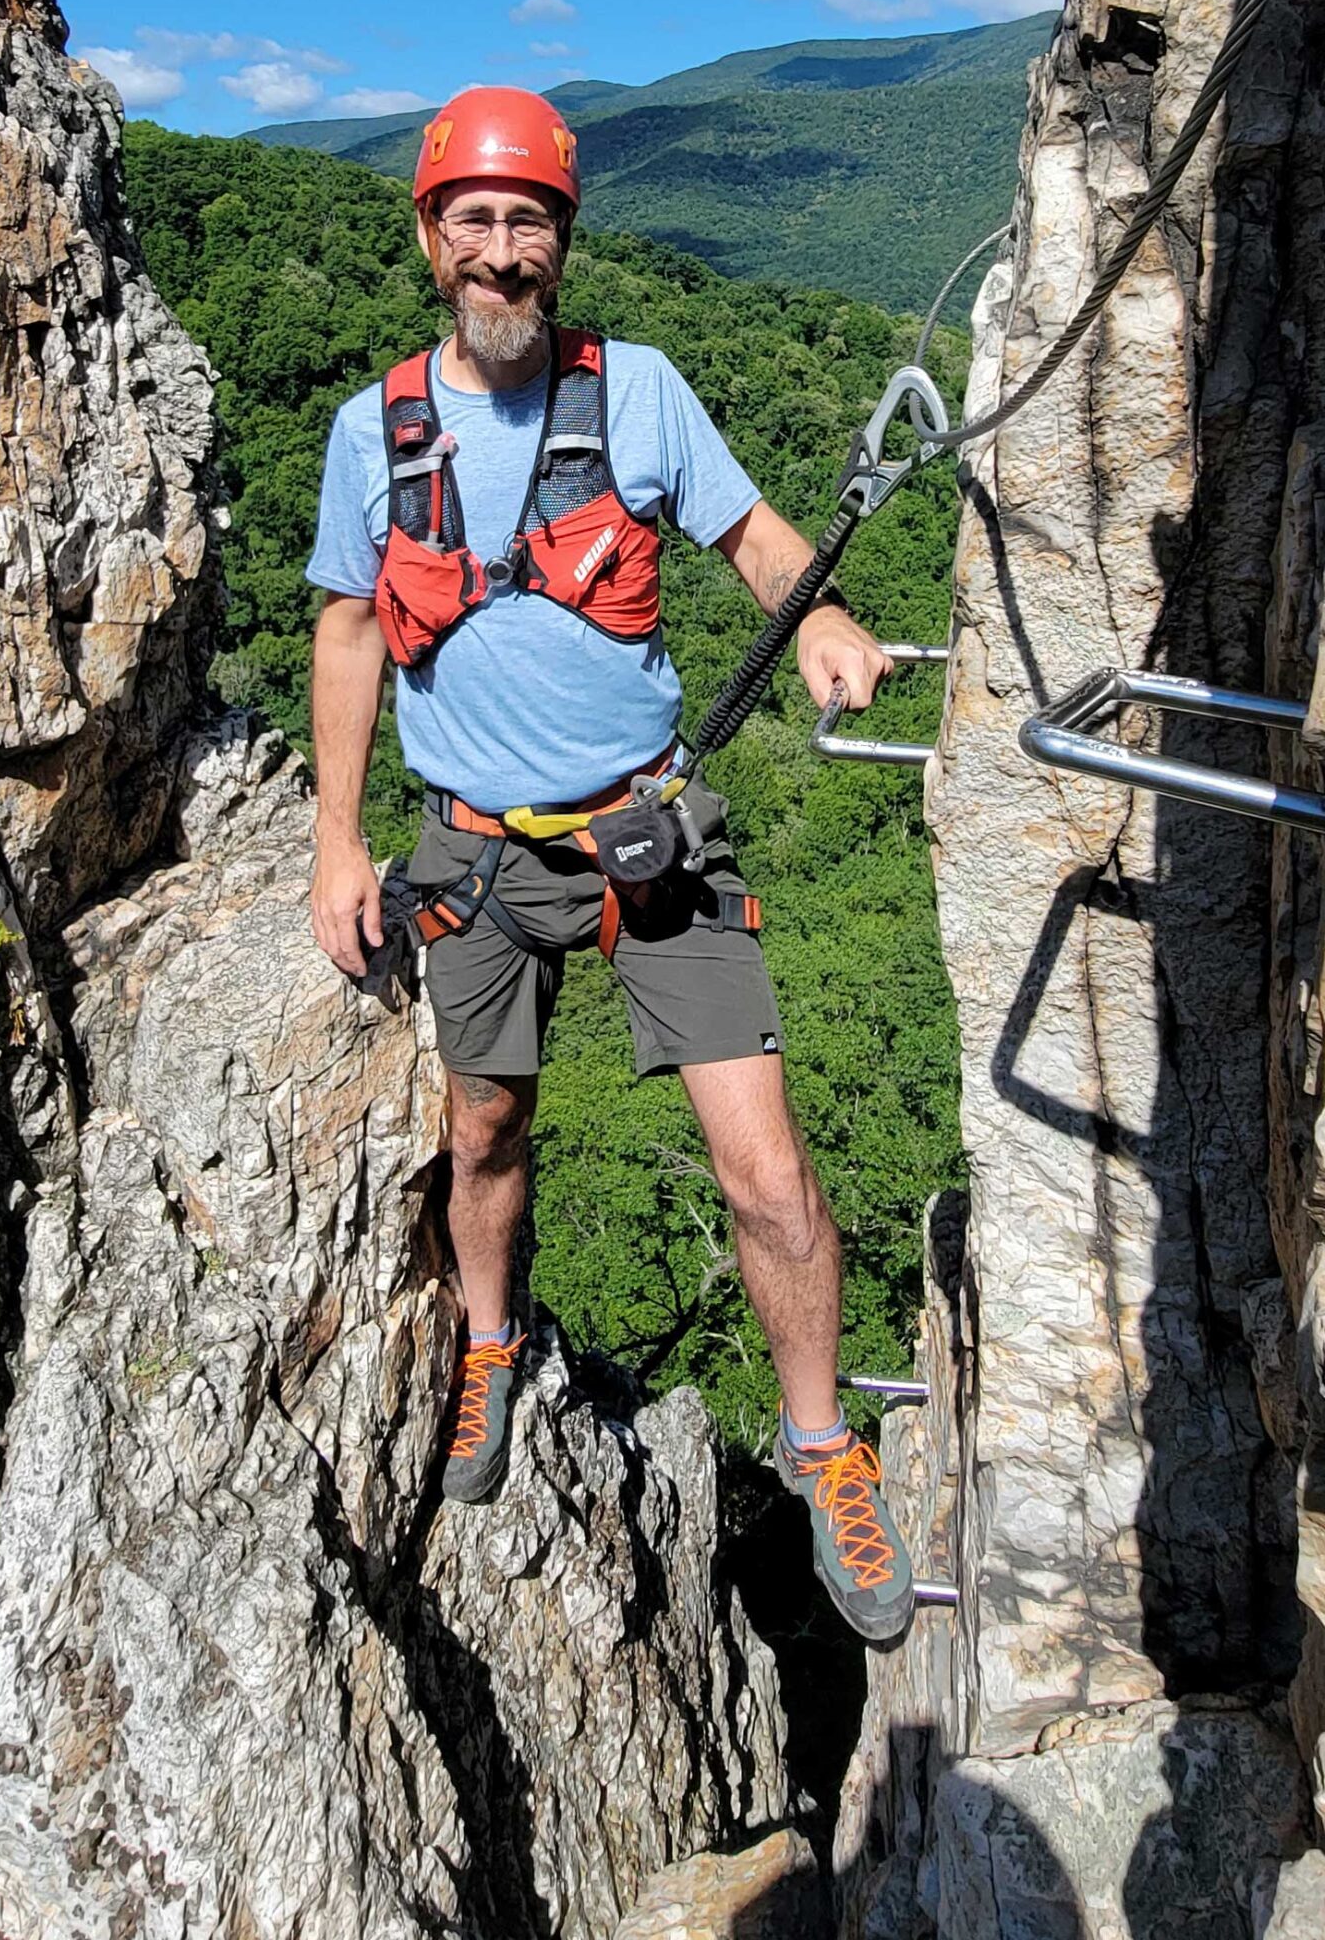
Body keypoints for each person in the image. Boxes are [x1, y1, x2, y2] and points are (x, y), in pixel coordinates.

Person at [304, 85, 916, 1643]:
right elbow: (353, 628)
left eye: (529, 224)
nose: (501, 254)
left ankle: (822, 1444)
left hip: (646, 830)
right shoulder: (371, 431)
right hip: (473, 851)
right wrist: (333, 837)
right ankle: (490, 1348)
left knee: (767, 1173)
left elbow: (756, 539)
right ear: (432, 235)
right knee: (487, 1129)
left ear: (562, 241)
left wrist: (821, 620)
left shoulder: (636, 392)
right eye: (476, 222)